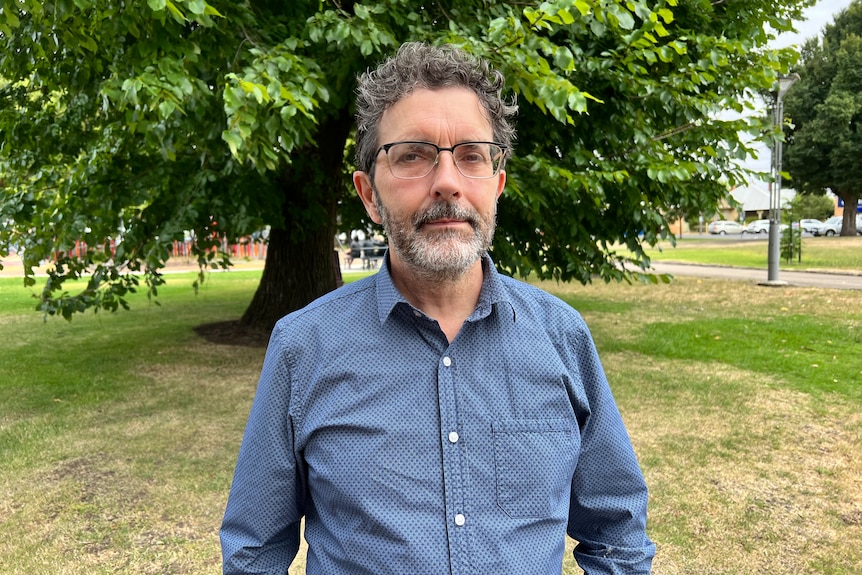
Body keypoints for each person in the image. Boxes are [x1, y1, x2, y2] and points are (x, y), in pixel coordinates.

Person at [220, 42, 655, 574]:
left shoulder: (561, 337)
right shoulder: (302, 348)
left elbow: (616, 533)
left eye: (471, 155)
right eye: (412, 155)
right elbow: (253, 552)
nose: (447, 181)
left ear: (496, 184)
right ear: (369, 195)